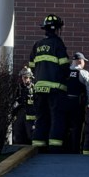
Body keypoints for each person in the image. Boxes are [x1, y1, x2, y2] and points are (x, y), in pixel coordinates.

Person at [29, 14, 70, 152]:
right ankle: (55, 147)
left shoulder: (37, 45)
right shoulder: (58, 44)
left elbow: (32, 67)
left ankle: (38, 147)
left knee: (41, 118)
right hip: (55, 90)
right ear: (57, 29)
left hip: (39, 89)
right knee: (56, 118)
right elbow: (65, 67)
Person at [64, 52, 89, 153]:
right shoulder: (83, 73)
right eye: (83, 61)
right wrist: (88, 102)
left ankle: (65, 149)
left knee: (65, 127)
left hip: (64, 104)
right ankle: (75, 150)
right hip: (77, 105)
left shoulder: (65, 72)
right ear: (80, 61)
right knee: (77, 128)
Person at [11, 66, 36, 145]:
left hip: (30, 116)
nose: (25, 79)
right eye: (23, 77)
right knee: (18, 135)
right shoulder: (18, 88)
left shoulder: (34, 88)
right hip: (19, 115)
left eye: (27, 77)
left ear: (30, 78)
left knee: (31, 135)